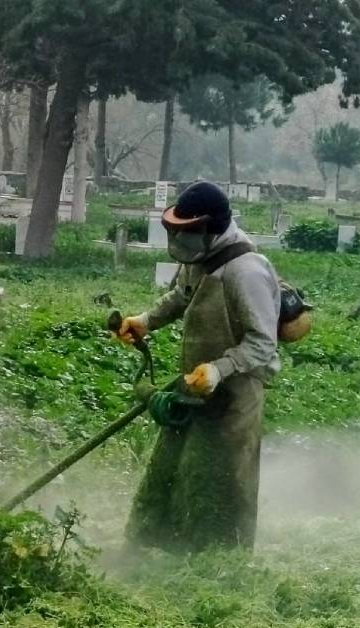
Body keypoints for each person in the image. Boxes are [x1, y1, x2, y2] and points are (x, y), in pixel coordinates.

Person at [115, 181, 281, 552]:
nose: (183, 241)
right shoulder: (200, 260)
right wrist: (145, 320)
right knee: (177, 468)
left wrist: (220, 370)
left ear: (213, 228)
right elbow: (181, 296)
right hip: (194, 386)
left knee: (222, 478)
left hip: (237, 393)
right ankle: (164, 544)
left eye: (190, 232)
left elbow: (262, 342)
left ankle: (221, 557)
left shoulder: (247, 272)